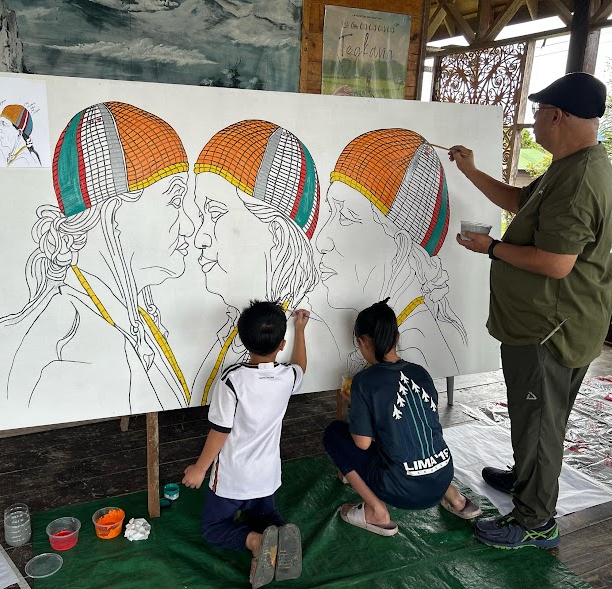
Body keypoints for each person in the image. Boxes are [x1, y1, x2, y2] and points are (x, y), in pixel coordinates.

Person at [449, 72, 612, 549]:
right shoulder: (576, 164)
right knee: (538, 418)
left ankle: (536, 520)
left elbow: (556, 263)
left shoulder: (580, 178)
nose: (535, 121)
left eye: (539, 112)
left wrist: (490, 248)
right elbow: (520, 200)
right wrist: (471, 171)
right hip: (559, 320)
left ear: (557, 116)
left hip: (550, 330)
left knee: (540, 423)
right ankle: (528, 478)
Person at [0, 101, 195, 417]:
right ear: (112, 217)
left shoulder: (126, 319)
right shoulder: (77, 349)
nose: (189, 225)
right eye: (175, 200)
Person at [190, 119, 334, 407]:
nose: (199, 238)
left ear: (277, 234)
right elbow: (298, 370)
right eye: (201, 216)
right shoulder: (234, 328)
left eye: (215, 214)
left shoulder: (320, 338)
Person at [315, 128, 467, 377]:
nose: (322, 242)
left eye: (347, 216)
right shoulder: (397, 339)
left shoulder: (416, 352)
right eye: (332, 212)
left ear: (400, 246)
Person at [323, 300, 481, 536]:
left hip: (402, 490)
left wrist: (357, 407)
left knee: (334, 434)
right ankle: (455, 498)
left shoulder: (365, 381)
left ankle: (376, 511)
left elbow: (362, 444)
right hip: (443, 476)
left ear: (362, 342)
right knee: (413, 438)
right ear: (397, 337)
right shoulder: (420, 372)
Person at [183, 301, 309, 589]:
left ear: (242, 341)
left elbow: (220, 430)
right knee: (264, 514)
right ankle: (278, 532)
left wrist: (200, 469)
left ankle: (254, 542)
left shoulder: (232, 380)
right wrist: (300, 330)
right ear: (282, 344)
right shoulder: (287, 376)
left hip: (233, 480)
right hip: (267, 478)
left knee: (213, 528)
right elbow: (300, 366)